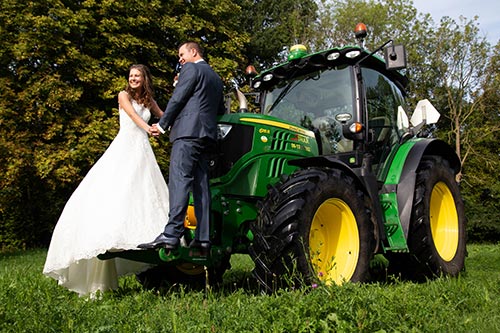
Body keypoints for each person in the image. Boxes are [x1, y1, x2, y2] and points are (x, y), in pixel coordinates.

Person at [43, 64, 170, 297]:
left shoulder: (148, 99)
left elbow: (164, 115)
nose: (133, 79)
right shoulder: (123, 95)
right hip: (126, 147)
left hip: (143, 153)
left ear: (144, 79)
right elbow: (132, 117)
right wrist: (149, 129)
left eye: (137, 76)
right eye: (131, 76)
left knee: (144, 194)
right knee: (118, 192)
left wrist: (174, 120)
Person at [138, 41, 226, 252]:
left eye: (181, 54)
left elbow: (178, 99)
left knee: (180, 180)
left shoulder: (191, 68)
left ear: (193, 52)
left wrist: (162, 124)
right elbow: (220, 108)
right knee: (202, 186)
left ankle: (171, 234)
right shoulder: (216, 78)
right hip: (207, 136)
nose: (180, 59)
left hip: (187, 133)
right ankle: (203, 239)